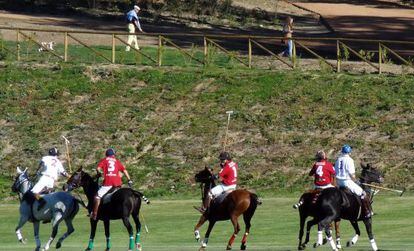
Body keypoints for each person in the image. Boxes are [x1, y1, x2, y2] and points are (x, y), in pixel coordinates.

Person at [91, 148, 133, 220]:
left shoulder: (104, 160)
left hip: (108, 183)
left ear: (106, 154)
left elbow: (98, 168)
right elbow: (124, 170)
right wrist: (129, 180)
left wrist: (99, 173)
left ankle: (95, 214)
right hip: (117, 183)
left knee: (97, 197)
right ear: (113, 154)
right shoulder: (117, 161)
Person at [334, 144, 371, 218]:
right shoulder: (350, 160)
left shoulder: (338, 159)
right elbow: (351, 174)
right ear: (349, 152)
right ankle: (366, 211)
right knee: (363, 193)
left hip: (338, 182)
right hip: (347, 182)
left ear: (342, 152)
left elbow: (335, 171)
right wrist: (356, 181)